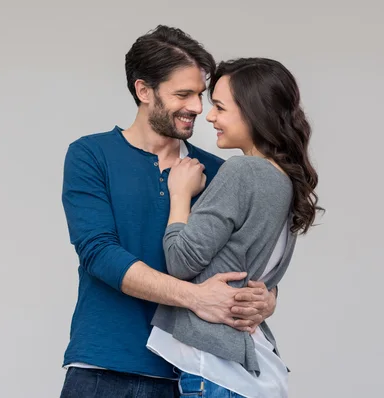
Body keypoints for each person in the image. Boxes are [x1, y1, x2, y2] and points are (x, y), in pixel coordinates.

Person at [59, 26, 278, 398]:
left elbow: (250, 258)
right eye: (183, 94)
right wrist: (194, 297)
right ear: (144, 91)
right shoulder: (91, 155)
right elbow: (99, 253)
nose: (197, 106)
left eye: (200, 95)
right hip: (105, 368)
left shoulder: (220, 171)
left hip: (195, 375)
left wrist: (266, 299)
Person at [147, 58, 321, 398]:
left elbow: (181, 262)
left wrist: (180, 195)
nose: (209, 116)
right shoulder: (285, 181)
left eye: (221, 108)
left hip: (216, 371)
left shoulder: (243, 172)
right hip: (253, 369)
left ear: (254, 112)